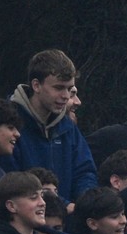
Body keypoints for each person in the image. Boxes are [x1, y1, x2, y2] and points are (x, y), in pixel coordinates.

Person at [5, 49, 97, 198]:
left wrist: (84, 203)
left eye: (69, 89)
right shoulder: (8, 123)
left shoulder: (68, 127)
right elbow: (10, 181)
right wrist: (62, 205)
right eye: (59, 88)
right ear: (36, 85)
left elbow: (85, 172)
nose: (66, 96)